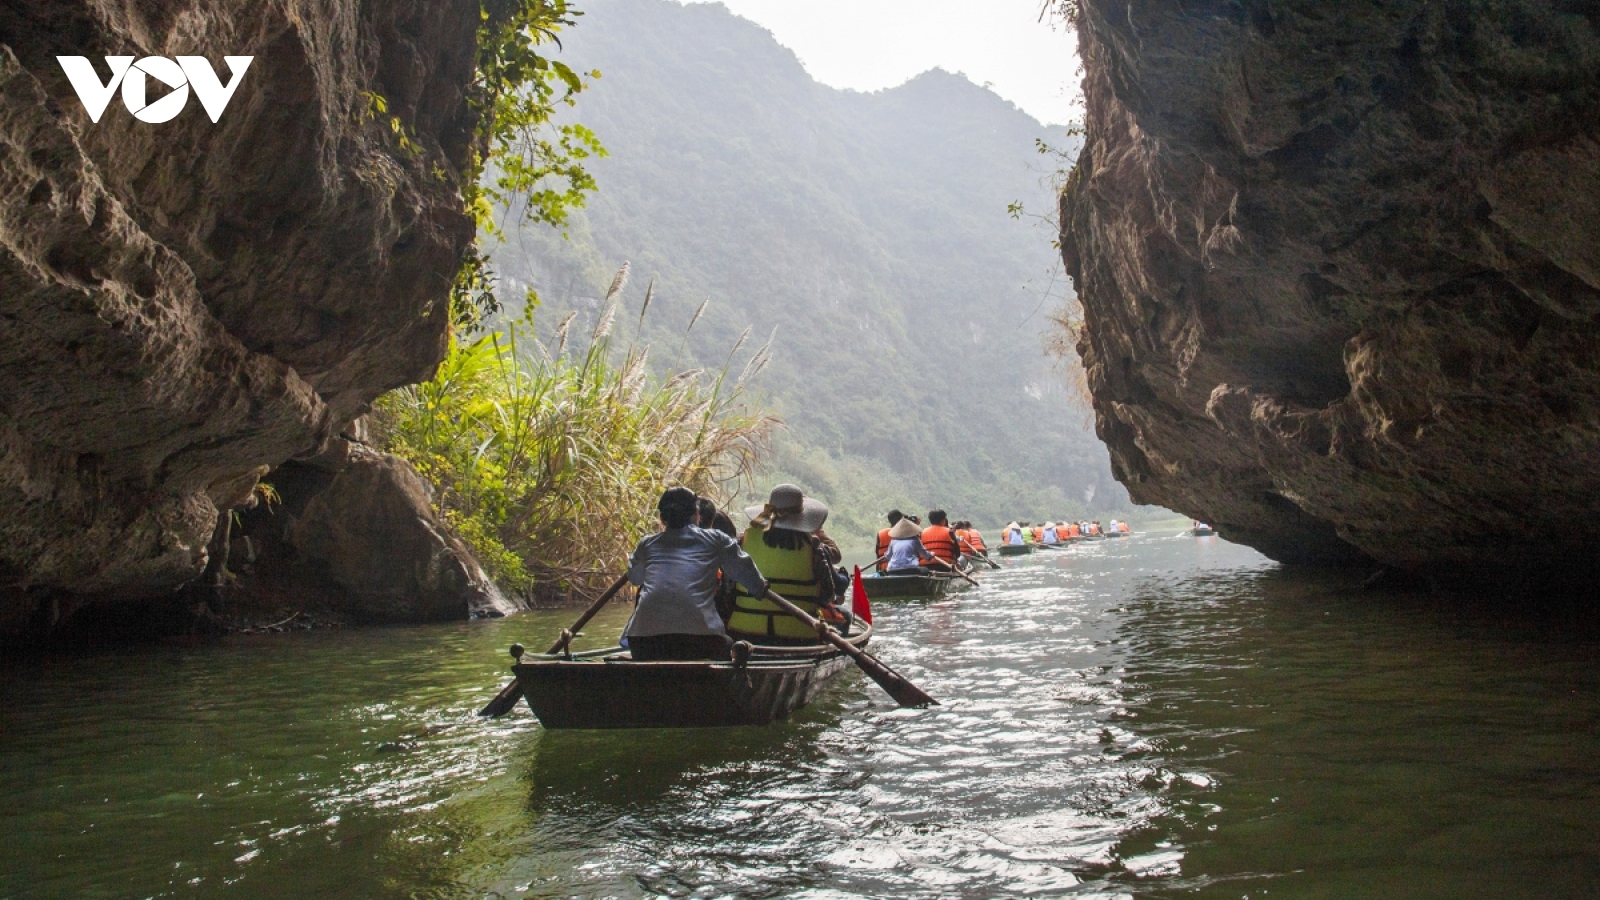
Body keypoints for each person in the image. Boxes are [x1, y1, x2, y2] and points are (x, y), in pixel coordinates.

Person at [622, 487, 769, 661]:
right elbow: (747, 575)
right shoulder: (716, 539)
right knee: (730, 645)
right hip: (699, 643)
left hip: (643, 643)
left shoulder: (647, 544)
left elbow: (635, 577)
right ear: (697, 515)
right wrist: (760, 588)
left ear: (662, 518)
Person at [727, 484, 845, 643]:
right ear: (801, 518)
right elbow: (827, 596)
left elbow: (728, 588)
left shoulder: (743, 541)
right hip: (799, 636)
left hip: (745, 633)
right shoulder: (814, 548)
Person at [875, 509, 904, 573]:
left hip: (884, 569)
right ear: (901, 520)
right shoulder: (905, 532)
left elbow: (877, 553)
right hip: (901, 569)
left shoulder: (881, 533)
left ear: (889, 521)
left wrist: (878, 571)